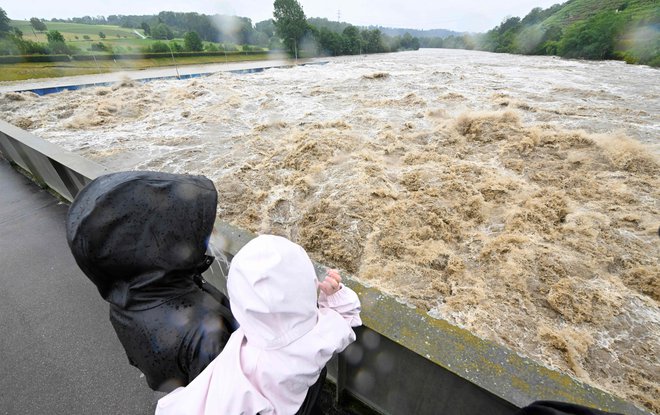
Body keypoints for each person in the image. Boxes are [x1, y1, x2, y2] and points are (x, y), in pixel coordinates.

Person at [66, 170, 236, 392]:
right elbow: (229, 398)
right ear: (162, 242)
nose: (208, 230)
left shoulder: (128, 294)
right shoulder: (208, 333)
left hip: (175, 386)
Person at [155, 234, 362, 415]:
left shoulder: (244, 371)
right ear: (307, 283)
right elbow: (347, 316)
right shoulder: (321, 332)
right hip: (305, 399)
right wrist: (335, 294)